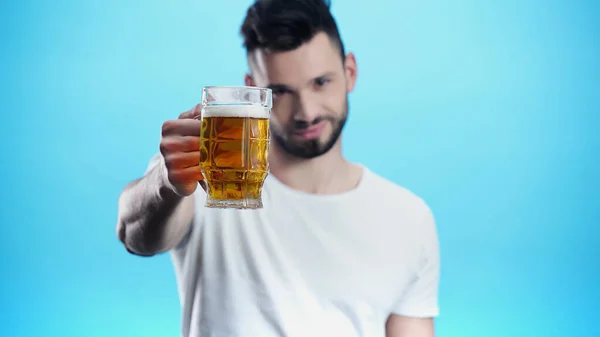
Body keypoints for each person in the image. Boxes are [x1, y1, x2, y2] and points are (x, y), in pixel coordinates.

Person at [115, 0, 440, 336]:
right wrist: (166, 184)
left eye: (321, 82)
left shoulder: (409, 217)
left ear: (350, 72)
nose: (306, 112)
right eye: (281, 91)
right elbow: (135, 235)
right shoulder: (213, 176)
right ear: (255, 91)